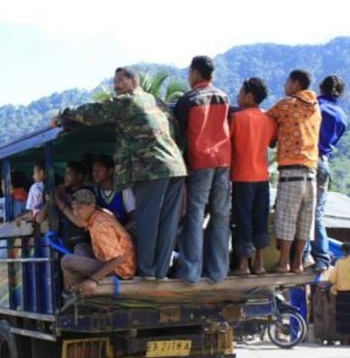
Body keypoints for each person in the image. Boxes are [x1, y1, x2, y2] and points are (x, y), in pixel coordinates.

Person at [55, 67, 186, 280]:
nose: (115, 88)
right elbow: (179, 135)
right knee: (168, 223)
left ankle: (147, 274)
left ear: (133, 81)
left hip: (151, 170)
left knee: (148, 222)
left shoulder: (128, 101)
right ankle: (160, 273)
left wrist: (63, 115)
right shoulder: (159, 104)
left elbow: (93, 113)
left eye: (119, 82)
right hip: (176, 167)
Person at [174, 56, 232, 284]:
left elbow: (179, 135)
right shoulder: (224, 97)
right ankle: (218, 271)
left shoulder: (188, 100)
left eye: (190, 73)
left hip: (200, 161)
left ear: (196, 73)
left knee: (195, 217)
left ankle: (191, 271)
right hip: (224, 161)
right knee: (221, 216)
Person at [267, 69, 322, 273]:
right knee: (305, 220)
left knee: (286, 217)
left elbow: (266, 120)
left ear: (296, 83)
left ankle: (284, 263)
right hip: (311, 172)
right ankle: (298, 262)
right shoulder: (317, 108)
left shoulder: (286, 105)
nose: (285, 86)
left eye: (287, 82)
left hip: (291, 172)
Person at [229, 77, 277, 276]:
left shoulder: (238, 118)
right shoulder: (269, 119)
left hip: (242, 176)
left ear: (249, 96)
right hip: (263, 177)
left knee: (243, 220)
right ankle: (259, 264)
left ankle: (243, 265)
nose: (238, 95)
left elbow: (228, 142)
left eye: (241, 92)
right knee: (260, 219)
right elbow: (273, 142)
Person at [58, 189, 136, 295]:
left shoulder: (100, 226)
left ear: (91, 206)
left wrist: (93, 280)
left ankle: (76, 291)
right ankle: (79, 285)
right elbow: (79, 223)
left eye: (79, 208)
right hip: (109, 261)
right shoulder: (97, 214)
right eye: (74, 209)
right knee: (80, 247)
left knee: (66, 261)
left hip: (120, 270)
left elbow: (119, 259)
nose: (76, 213)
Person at [308, 75, 349, 272]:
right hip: (324, 163)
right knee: (317, 213)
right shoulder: (341, 115)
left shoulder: (314, 106)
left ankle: (305, 254)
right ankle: (322, 257)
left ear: (320, 87)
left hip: (308, 160)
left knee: (302, 210)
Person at [329, 242, 350, 345]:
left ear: (343, 251)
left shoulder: (339, 262)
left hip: (341, 295)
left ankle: (345, 342)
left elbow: (332, 279)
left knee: (343, 319)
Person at [92, 154, 136, 231]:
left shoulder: (123, 190)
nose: (95, 173)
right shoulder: (95, 192)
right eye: (93, 170)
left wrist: (119, 233)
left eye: (99, 169)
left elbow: (134, 218)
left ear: (110, 171)